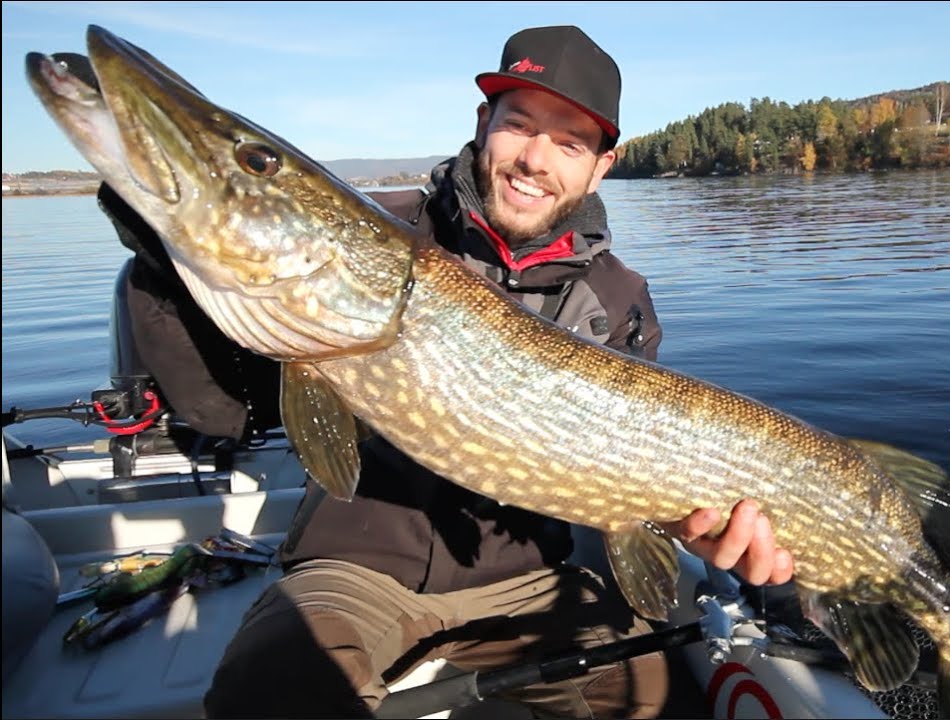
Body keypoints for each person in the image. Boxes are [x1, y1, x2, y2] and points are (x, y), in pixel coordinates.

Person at [103, 25, 793, 719]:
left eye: (570, 143)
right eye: (518, 124)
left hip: (529, 582)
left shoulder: (620, 298)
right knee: (274, 690)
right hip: (357, 569)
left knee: (658, 701)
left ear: (600, 166)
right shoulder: (388, 233)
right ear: (482, 123)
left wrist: (688, 525)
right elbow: (224, 415)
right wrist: (160, 262)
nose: (534, 160)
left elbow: (633, 478)